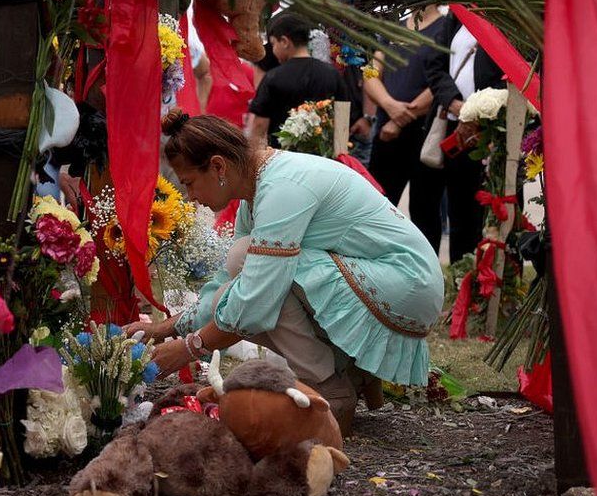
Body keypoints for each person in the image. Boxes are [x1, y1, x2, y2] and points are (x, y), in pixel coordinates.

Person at [125, 111, 444, 433]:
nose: (191, 197)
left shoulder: (282, 187)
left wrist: (187, 349)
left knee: (250, 275)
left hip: (407, 284)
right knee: (234, 282)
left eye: (189, 183)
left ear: (218, 166)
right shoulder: (258, 186)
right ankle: (346, 371)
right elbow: (229, 283)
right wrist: (166, 330)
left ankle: (331, 389)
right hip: (388, 280)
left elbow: (257, 298)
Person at [423, 15, 507, 262]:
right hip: (457, 126)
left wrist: (484, 111)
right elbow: (435, 64)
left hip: (494, 128)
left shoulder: (506, 15)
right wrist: (456, 103)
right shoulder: (457, 15)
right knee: (460, 210)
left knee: (496, 208)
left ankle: (497, 279)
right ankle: (463, 277)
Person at [365, 5, 446, 254]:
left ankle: (428, 270)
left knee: (425, 210)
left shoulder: (445, 28)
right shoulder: (393, 27)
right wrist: (389, 106)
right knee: (378, 205)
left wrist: (400, 119)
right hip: (386, 133)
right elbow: (370, 73)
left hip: (425, 132)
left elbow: (444, 80)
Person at [249, 13, 349, 148]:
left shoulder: (273, 77)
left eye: (273, 44)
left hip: (283, 158)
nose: (273, 50)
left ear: (284, 42)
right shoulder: (332, 74)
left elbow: (259, 125)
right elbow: (342, 121)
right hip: (322, 160)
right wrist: (340, 153)